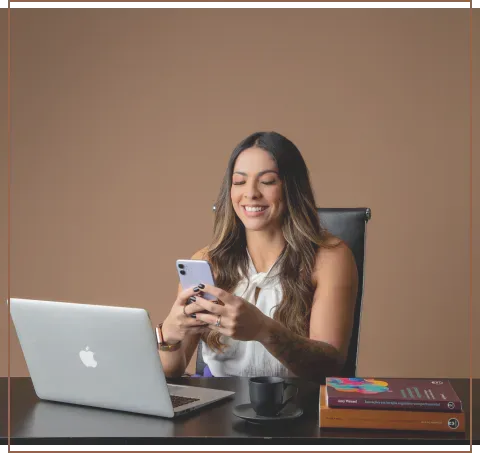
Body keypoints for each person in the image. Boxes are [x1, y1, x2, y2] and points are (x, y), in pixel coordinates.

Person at [157, 131, 358, 382]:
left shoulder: (330, 258)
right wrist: (170, 335)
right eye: (239, 182)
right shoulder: (207, 261)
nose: (250, 193)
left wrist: (263, 329)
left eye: (268, 181)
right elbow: (171, 371)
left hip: (298, 409)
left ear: (291, 188)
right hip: (220, 408)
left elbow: (329, 366)